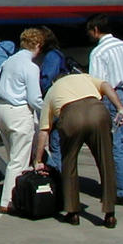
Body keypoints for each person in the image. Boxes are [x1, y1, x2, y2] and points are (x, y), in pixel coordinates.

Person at [34, 73, 123, 228]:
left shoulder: (51, 91)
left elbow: (44, 131)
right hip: (97, 111)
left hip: (71, 116)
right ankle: (110, 213)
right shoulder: (84, 77)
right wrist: (120, 108)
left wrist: (38, 160)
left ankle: (72, 212)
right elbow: (106, 85)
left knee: (69, 163)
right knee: (106, 161)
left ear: (54, 81)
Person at [86, 14, 123, 205]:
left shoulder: (99, 52)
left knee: (114, 144)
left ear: (96, 30)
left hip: (112, 97)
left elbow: (97, 81)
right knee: (121, 143)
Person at [0, 28, 44, 213]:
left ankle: (13, 197)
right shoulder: (31, 67)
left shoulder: (9, 61)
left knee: (12, 157)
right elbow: (34, 98)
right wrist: (48, 109)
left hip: (1, 109)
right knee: (19, 162)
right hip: (18, 112)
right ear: (37, 45)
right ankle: (8, 201)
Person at [37, 26, 68, 172]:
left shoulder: (51, 56)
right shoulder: (57, 54)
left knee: (54, 141)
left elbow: (47, 79)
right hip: (60, 101)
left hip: (54, 101)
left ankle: (58, 175)